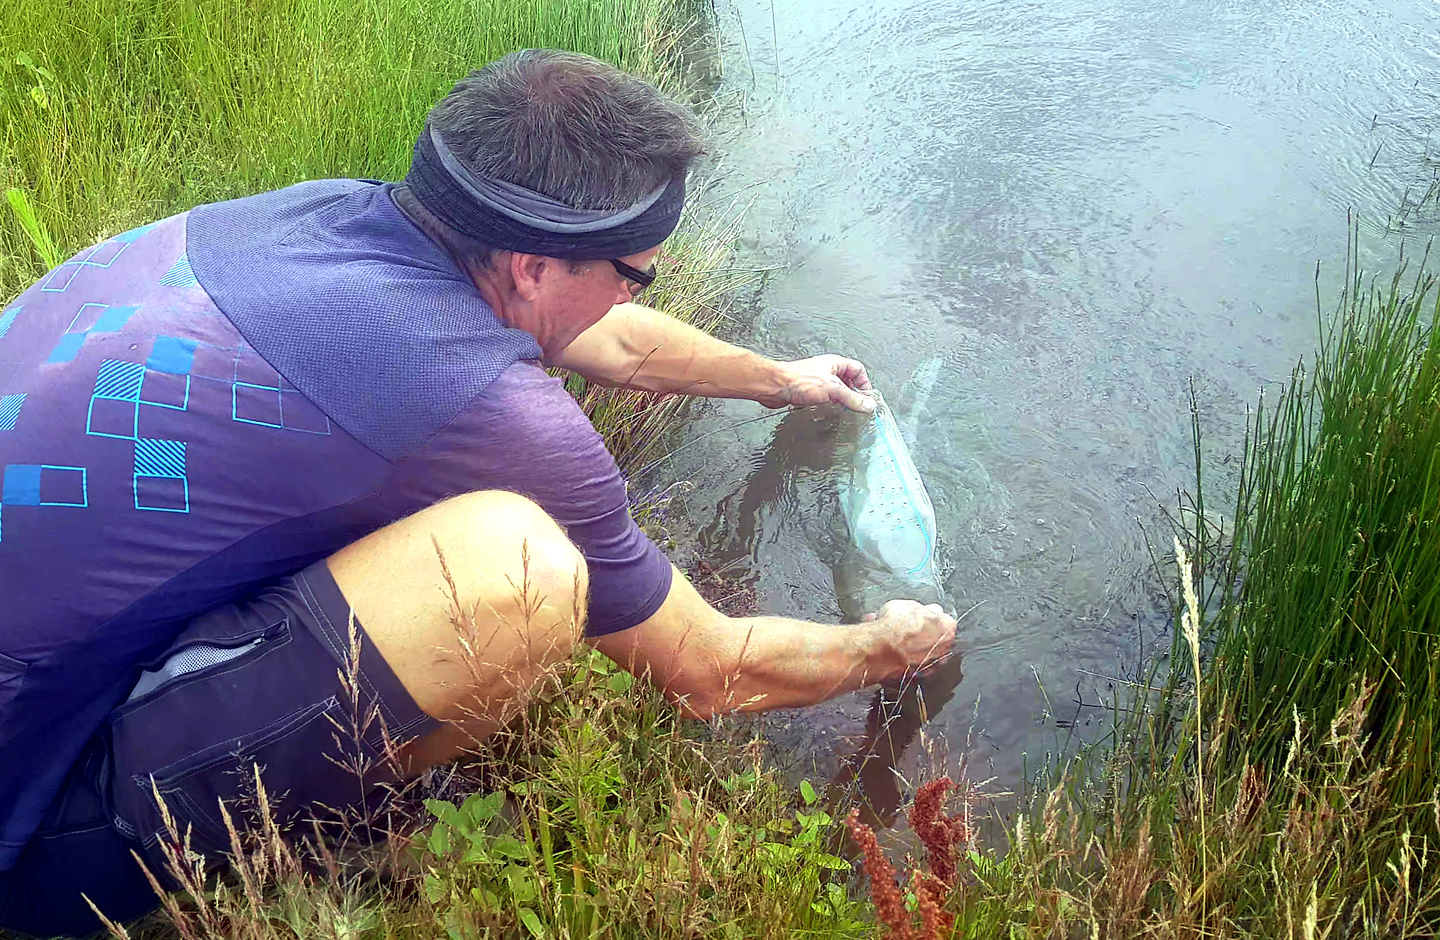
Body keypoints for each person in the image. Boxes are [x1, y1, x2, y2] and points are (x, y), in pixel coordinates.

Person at [0, 49, 957, 935]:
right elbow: (712, 673)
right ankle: (291, 842)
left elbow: (600, 336)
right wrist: (886, 648)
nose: (637, 297)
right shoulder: (481, 408)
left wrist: (779, 378)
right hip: (29, 827)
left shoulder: (330, 220)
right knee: (521, 569)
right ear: (533, 265)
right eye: (635, 276)